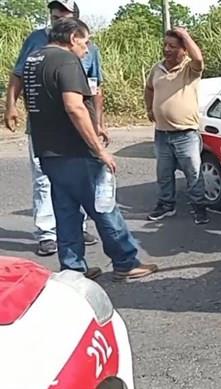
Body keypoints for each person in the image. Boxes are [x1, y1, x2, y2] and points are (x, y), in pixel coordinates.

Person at [23, 18, 157, 280]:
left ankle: (73, 269)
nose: (87, 48)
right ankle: (126, 262)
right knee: (103, 205)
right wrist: (99, 150)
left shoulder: (34, 58)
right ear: (73, 37)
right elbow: (74, 107)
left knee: (66, 211)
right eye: (85, 42)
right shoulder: (66, 61)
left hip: (47, 149)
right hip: (75, 150)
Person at [4, 0, 103, 257]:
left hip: (77, 125)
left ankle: (76, 228)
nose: (56, 19)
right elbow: (18, 75)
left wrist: (98, 124)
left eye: (63, 16)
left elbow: (95, 88)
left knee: (80, 177)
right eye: (54, 15)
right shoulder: (36, 40)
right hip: (42, 126)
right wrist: (10, 105)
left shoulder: (87, 45)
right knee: (44, 180)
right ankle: (47, 234)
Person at [144, 28, 209, 225]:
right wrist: (149, 108)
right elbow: (149, 88)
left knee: (193, 173)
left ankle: (199, 207)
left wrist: (186, 35)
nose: (167, 49)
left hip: (185, 134)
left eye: (173, 46)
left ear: (184, 50)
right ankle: (166, 205)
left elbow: (198, 58)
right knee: (163, 174)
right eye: (165, 45)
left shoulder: (190, 69)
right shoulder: (157, 68)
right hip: (162, 134)